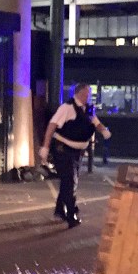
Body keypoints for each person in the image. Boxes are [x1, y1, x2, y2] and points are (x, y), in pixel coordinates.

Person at [39, 84, 111, 228]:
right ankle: (71, 214)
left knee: (68, 181)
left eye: (89, 94)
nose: (87, 97)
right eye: (85, 94)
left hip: (77, 152)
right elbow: (51, 126)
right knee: (71, 181)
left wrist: (103, 131)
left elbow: (96, 122)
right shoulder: (66, 108)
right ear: (77, 93)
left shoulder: (88, 109)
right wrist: (45, 147)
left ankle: (60, 210)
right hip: (63, 149)